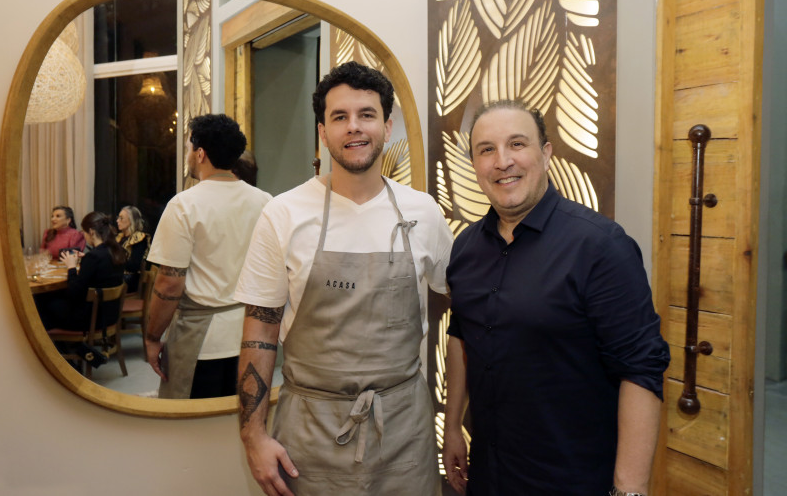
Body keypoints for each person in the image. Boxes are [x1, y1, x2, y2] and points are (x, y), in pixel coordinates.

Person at [234, 61, 453, 496]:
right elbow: (259, 330)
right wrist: (253, 435)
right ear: (323, 131)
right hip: (308, 434)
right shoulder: (283, 214)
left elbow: (463, 304)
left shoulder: (423, 212)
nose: (354, 127)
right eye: (340, 117)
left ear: (386, 126)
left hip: (403, 431)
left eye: (366, 114)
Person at [442, 100, 671, 496]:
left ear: (545, 154)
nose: (502, 161)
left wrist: (630, 490)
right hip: (489, 475)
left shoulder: (600, 247)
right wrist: (451, 430)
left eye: (517, 144)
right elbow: (462, 335)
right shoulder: (464, 249)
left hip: (572, 478)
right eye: (486, 150)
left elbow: (641, 369)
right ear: (475, 164)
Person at [144, 113, 271, 400]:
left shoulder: (184, 205)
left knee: (195, 422)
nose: (188, 155)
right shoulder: (264, 201)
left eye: (189, 148)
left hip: (202, 341)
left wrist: (152, 337)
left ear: (200, 154)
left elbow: (169, 284)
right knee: (240, 417)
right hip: (252, 334)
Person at [39, 212, 125, 332]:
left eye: (84, 232)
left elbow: (74, 293)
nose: (84, 236)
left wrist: (71, 267)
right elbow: (102, 267)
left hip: (91, 318)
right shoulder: (116, 251)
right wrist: (86, 258)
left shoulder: (93, 257)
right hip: (110, 314)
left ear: (91, 232)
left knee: (42, 302)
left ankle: (50, 342)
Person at [115, 205, 150, 293]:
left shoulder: (139, 238)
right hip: (118, 275)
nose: (117, 220)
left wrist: (116, 259)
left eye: (121, 218)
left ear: (131, 220)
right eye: (118, 217)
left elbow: (134, 266)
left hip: (130, 279)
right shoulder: (119, 237)